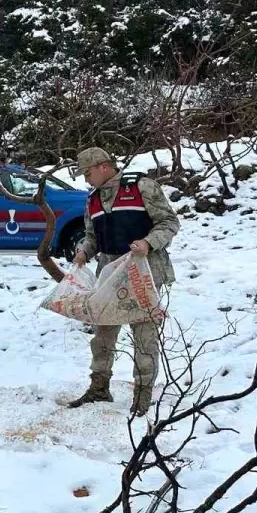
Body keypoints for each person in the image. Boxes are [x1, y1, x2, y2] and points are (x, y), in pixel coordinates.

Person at [67, 148, 180, 417]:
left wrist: (148, 242)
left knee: (144, 336)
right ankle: (99, 387)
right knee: (103, 333)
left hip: (145, 272)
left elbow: (169, 223)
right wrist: (84, 251)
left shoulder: (142, 187)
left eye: (88, 172)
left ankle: (142, 396)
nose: (86, 179)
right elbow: (92, 235)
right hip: (109, 274)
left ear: (103, 166)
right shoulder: (92, 199)